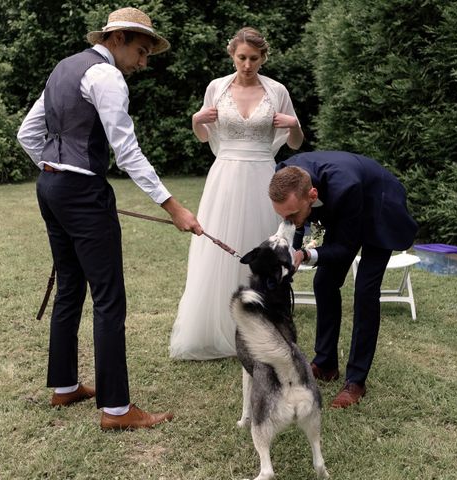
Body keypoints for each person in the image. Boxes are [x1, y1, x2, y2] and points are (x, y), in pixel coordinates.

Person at [17, 7, 203, 430]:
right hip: (81, 193)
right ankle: (117, 410)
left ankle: (64, 386)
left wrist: (56, 171)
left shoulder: (64, 68)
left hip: (50, 188)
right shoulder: (107, 77)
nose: (143, 63)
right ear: (116, 39)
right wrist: (172, 205)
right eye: (140, 51)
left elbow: (27, 134)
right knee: (108, 298)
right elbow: (128, 151)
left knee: (69, 288)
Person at [169, 27, 304, 360]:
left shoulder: (277, 90)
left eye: (254, 58)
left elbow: (295, 142)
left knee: (261, 249)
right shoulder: (217, 87)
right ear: (233, 55)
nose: (247, 64)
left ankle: (262, 329)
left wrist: (294, 124)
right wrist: (196, 119)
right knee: (217, 253)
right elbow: (204, 136)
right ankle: (214, 328)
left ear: (263, 57)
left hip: (262, 175)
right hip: (225, 175)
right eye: (242, 57)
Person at [269, 151, 418, 408]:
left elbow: (344, 249)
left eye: (292, 214)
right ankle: (326, 363)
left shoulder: (345, 188)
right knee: (324, 282)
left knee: (365, 292)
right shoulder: (286, 176)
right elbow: (296, 222)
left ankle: (356, 381)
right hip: (345, 207)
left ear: (312, 196)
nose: (288, 220)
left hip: (379, 207)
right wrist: (291, 251)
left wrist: (304, 254)